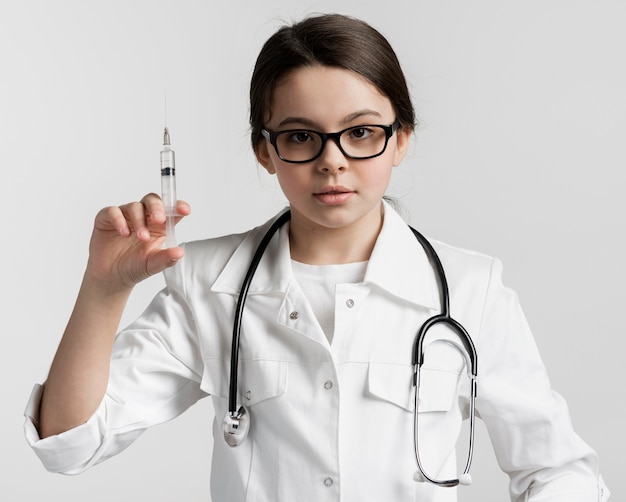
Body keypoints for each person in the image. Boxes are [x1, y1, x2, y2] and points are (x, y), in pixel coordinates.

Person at [24, 13, 608, 502]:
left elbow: (559, 471)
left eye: (360, 133)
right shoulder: (205, 281)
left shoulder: (470, 288)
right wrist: (104, 288)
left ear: (400, 138)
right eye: (302, 136)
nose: (333, 161)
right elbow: (70, 444)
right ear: (265, 150)